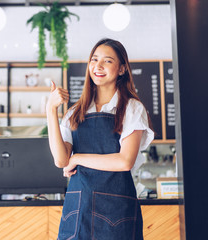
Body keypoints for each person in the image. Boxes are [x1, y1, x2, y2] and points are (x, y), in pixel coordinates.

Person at [46, 38, 154, 240]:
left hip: (116, 212)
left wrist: (77, 158)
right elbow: (61, 160)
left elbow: (124, 161)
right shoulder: (74, 113)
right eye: (94, 60)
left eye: (108, 61)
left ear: (122, 69)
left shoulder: (131, 108)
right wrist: (50, 110)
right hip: (78, 209)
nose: (98, 66)